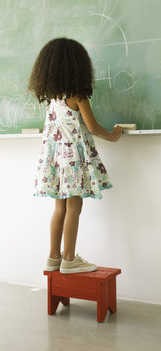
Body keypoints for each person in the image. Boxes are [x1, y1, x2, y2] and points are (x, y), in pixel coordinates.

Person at [27, 37, 123, 274]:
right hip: (73, 162)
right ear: (78, 66)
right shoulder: (77, 96)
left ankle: (53, 257)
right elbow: (92, 128)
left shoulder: (52, 99)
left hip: (56, 163)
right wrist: (114, 136)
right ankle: (69, 259)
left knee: (59, 209)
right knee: (74, 207)